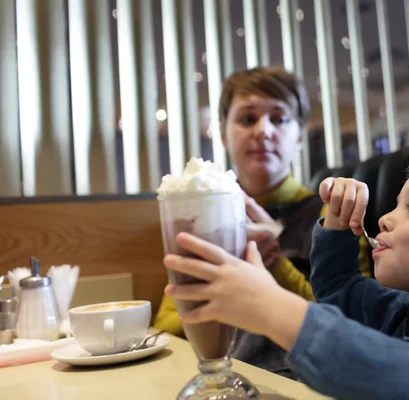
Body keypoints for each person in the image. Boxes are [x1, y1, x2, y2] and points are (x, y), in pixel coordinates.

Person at [162, 134, 409, 399]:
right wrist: (336, 221)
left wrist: (273, 309)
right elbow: (340, 290)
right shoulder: (398, 310)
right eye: (396, 205)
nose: (385, 218)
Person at [153, 66, 372, 377]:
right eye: (247, 119)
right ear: (224, 134)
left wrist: (274, 261)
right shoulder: (200, 216)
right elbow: (166, 323)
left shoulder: (332, 212)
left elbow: (356, 323)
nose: (263, 131)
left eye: (279, 119)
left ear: (299, 136)